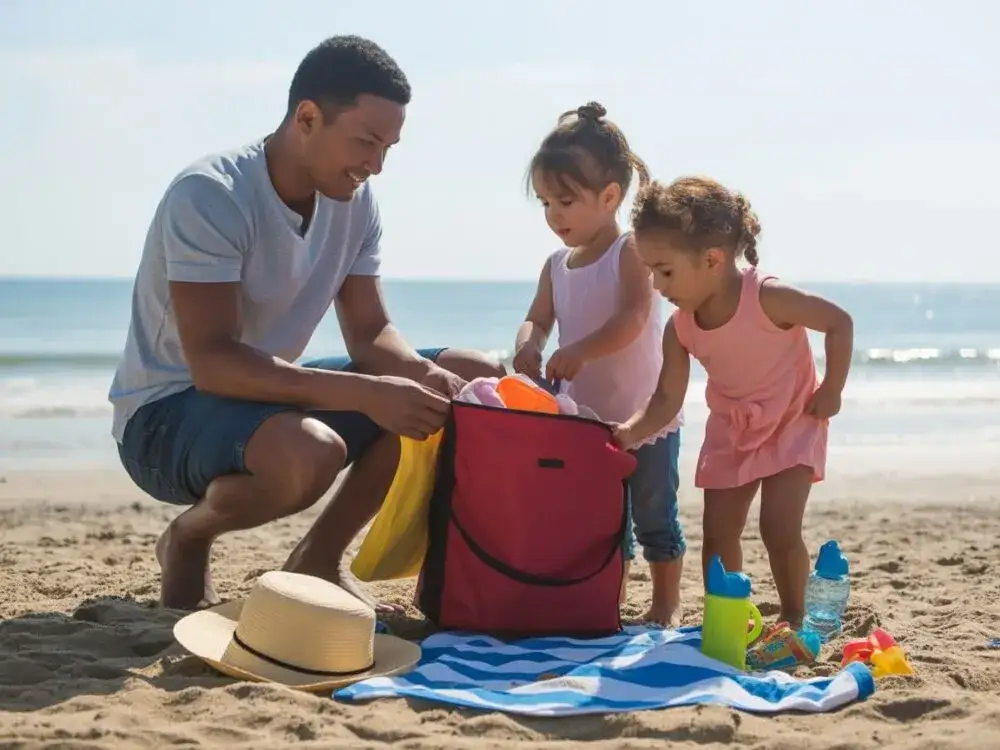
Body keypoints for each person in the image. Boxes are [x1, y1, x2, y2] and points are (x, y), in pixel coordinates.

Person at [108, 35, 503, 612]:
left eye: (389, 146)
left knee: (461, 374)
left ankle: (318, 558)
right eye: (366, 142)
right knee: (310, 452)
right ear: (308, 117)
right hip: (164, 417)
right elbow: (214, 363)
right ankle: (190, 537)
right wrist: (370, 392)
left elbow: (369, 335)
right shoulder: (210, 195)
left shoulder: (356, 202)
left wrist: (419, 373)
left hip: (262, 398)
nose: (377, 165)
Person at [613, 176, 854, 627]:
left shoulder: (768, 296)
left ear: (712, 259)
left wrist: (832, 389)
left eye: (664, 270)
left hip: (792, 419)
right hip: (732, 429)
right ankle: (724, 620)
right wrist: (630, 432)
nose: (656, 283)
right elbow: (666, 398)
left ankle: (795, 617)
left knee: (778, 528)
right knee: (718, 531)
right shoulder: (680, 328)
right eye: (650, 271)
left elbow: (839, 322)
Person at [511, 102, 686, 626]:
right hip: (586, 424)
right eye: (544, 203)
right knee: (599, 520)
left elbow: (634, 319)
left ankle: (665, 603)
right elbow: (537, 319)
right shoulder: (555, 265)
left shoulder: (630, 251)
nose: (553, 216)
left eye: (565, 201)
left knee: (654, 515)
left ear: (610, 196)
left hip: (645, 417)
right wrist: (528, 345)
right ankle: (607, 600)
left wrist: (581, 349)